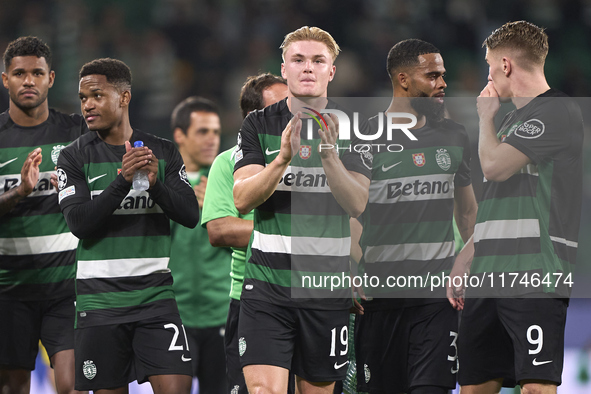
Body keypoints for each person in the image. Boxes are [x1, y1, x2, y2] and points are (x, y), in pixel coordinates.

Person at [233, 26, 371, 394]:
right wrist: (281, 160)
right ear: (284, 69)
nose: (307, 68)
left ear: (331, 71)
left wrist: (330, 158)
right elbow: (242, 198)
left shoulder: (354, 127)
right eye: (299, 60)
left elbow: (358, 202)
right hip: (267, 289)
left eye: (317, 61)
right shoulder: (257, 123)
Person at [448, 21, 584, 394]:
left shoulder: (557, 111)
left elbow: (493, 166)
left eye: (490, 66)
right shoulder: (511, 120)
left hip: (533, 274)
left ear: (505, 65)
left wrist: (483, 117)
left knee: (536, 387)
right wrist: (468, 251)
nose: (488, 75)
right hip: (489, 275)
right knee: (475, 386)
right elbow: (499, 199)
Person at [57, 58, 199, 394]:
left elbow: (191, 216)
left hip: (155, 298)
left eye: (96, 95)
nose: (87, 105)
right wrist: (123, 180)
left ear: (124, 98)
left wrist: (156, 186)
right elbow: (79, 223)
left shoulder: (161, 152)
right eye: (82, 98)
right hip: (100, 304)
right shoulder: (73, 157)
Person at [353, 39, 477, 394]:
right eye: (433, 75)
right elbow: (350, 214)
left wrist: (471, 268)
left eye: (443, 75)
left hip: (436, 300)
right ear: (404, 79)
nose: (443, 83)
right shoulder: (365, 137)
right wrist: (352, 267)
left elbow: (467, 213)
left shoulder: (454, 135)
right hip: (379, 301)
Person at [0, 36, 86, 394]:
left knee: (72, 385)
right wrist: (19, 192)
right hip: (9, 289)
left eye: (37, 73)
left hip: (66, 287)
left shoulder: (77, 132)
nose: (29, 81)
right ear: (5, 79)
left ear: (51, 78)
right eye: (20, 73)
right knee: (14, 386)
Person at [200, 73, 288, 394]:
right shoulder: (227, 163)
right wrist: (291, 229)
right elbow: (221, 229)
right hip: (252, 298)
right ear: (255, 118)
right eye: (281, 106)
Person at [167, 96, 230, 394]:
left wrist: (221, 211)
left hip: (221, 312)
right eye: (203, 131)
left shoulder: (231, 181)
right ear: (180, 135)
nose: (212, 140)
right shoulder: (157, 183)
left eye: (216, 132)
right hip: (173, 314)